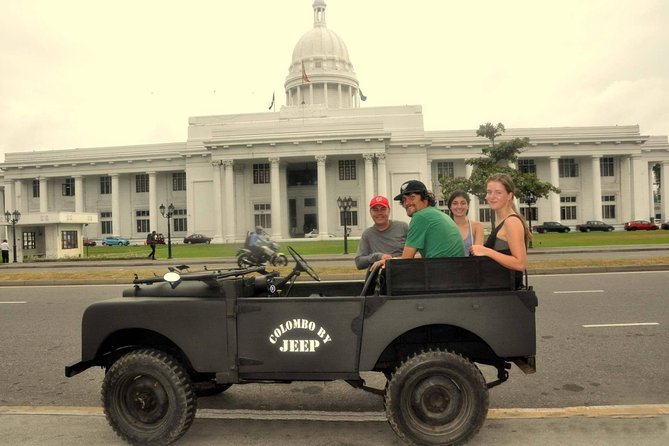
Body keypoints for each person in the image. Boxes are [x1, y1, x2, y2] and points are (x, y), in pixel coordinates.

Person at [371, 180, 464, 270]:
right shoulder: (435, 213)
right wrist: (391, 260)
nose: (407, 203)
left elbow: (406, 261)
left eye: (412, 197)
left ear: (424, 197)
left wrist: (387, 263)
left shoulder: (420, 217)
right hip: (453, 272)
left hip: (442, 276)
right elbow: (416, 257)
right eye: (404, 199)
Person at [470, 173, 531, 288]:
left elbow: (520, 263)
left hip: (508, 294)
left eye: (498, 192)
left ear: (509, 195)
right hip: (500, 290)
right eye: (489, 192)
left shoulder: (511, 222)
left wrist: (486, 251)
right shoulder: (502, 220)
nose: (492, 196)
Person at [355, 195, 408, 270]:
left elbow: (419, 253)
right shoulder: (367, 234)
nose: (379, 213)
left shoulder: (403, 227)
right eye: (375, 210)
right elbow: (359, 262)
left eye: (383, 209)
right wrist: (378, 256)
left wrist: (392, 260)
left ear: (389, 210)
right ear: (370, 212)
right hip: (380, 277)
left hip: (402, 271)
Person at [447, 190, 484, 256]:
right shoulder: (444, 227)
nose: (459, 207)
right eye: (455, 203)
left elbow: (478, 254)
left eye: (463, 203)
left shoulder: (477, 226)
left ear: (468, 205)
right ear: (450, 206)